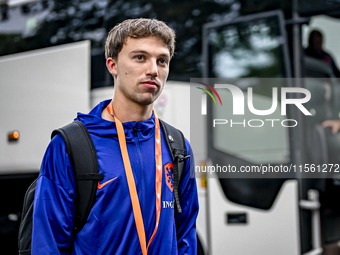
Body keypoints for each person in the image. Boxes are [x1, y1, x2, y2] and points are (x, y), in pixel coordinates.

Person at [31, 18, 199, 254]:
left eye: (162, 61)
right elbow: (47, 243)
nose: (153, 70)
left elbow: (186, 235)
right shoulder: (70, 145)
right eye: (140, 57)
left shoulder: (178, 146)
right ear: (113, 65)